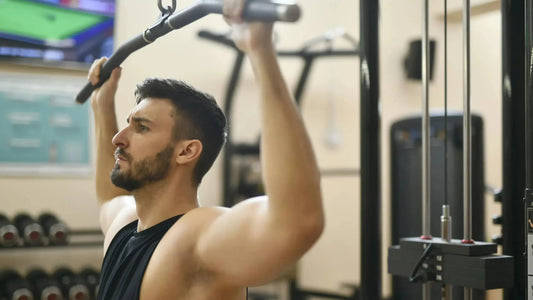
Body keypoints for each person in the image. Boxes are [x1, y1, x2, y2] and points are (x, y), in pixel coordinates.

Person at [89, 0, 324, 298]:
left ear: (186, 151)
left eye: (142, 127)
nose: (118, 138)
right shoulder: (123, 226)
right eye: (128, 124)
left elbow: (297, 222)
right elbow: (109, 196)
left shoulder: (195, 239)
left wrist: (260, 52)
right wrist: (101, 106)